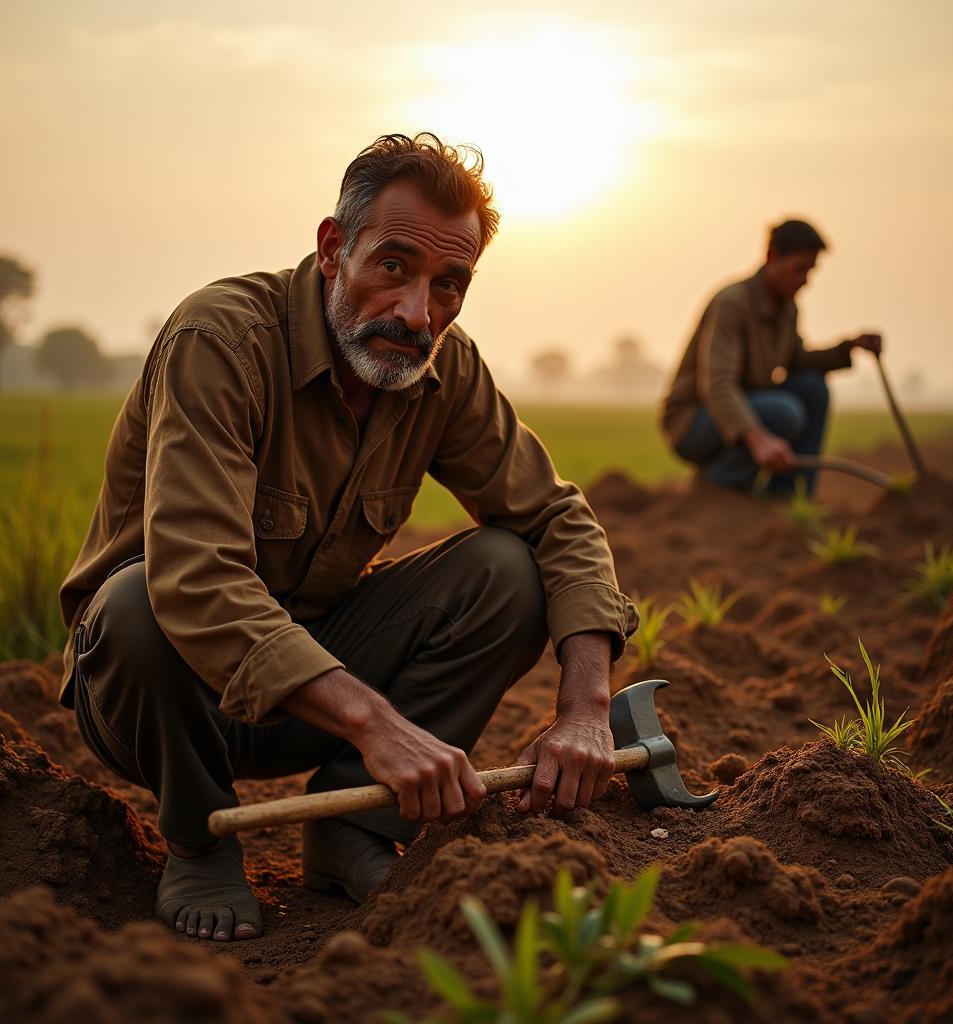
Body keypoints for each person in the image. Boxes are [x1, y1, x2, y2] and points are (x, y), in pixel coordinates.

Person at [58, 134, 638, 943]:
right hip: (159, 692)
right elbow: (197, 581)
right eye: (393, 267)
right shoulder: (221, 340)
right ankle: (197, 837)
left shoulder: (445, 369)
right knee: (136, 603)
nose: (417, 312)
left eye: (449, 286)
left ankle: (351, 827)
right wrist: (378, 727)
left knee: (509, 568)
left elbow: (556, 518)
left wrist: (585, 709)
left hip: (309, 690)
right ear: (334, 248)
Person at [660, 219, 883, 494]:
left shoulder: (787, 309)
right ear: (772, 257)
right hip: (693, 423)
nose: (805, 281)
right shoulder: (732, 303)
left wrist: (849, 347)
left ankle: (789, 497)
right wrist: (758, 438)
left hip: (746, 404)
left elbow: (796, 360)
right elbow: (717, 385)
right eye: (799, 269)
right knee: (784, 412)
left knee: (813, 389)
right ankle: (717, 486)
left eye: (810, 272)